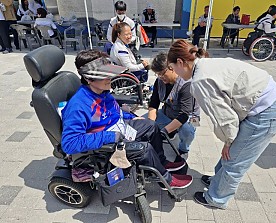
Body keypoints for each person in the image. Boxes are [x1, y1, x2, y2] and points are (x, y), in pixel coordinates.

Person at [167, 39, 276, 209]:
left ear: (181, 62)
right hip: (263, 103)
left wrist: (229, 141)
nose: (176, 74)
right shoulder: (204, 65)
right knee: (231, 153)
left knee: (234, 160)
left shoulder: (200, 80)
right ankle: (218, 181)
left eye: (174, 68)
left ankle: (217, 198)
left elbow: (225, 120)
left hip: (266, 112)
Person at [61, 49, 193, 190]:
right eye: (105, 76)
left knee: (150, 126)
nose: (110, 79)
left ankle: (161, 162)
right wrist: (109, 136)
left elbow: (114, 113)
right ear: (88, 78)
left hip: (118, 128)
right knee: (144, 149)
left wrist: (133, 118)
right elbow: (69, 144)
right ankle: (166, 180)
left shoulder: (102, 92)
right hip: (106, 140)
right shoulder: (79, 106)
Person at [148, 52, 199, 155]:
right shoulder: (159, 82)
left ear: (171, 68)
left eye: (162, 73)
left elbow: (184, 115)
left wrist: (165, 131)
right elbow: (153, 104)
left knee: (187, 131)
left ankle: (184, 149)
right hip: (169, 113)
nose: (160, 77)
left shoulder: (186, 84)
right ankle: (172, 132)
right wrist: (149, 124)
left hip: (189, 116)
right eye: (157, 74)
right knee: (144, 125)